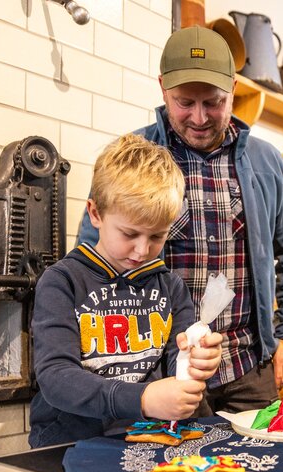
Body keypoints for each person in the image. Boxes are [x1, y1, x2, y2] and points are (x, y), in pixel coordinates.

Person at [76, 26, 283, 415]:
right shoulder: (135, 158)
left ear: (234, 89)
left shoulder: (268, 165)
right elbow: (92, 261)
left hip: (249, 368)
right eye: (185, 103)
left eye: (214, 102)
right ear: (162, 89)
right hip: (162, 370)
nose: (200, 117)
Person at [30, 133, 222, 448]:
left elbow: (179, 365)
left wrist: (197, 363)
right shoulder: (61, 282)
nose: (142, 250)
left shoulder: (171, 287)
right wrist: (143, 399)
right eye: (129, 233)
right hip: (73, 443)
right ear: (96, 214)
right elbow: (56, 378)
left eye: (157, 236)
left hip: (151, 440)